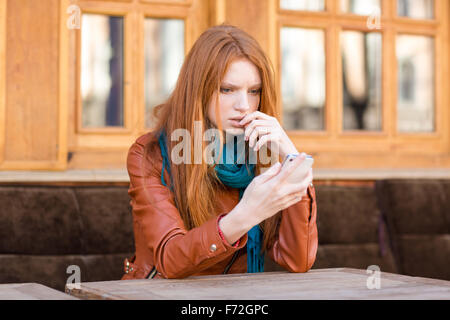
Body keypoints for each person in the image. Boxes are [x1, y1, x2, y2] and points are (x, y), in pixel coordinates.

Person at [121, 24, 317, 280]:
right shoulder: (150, 155)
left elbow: (298, 259)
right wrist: (247, 214)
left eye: (254, 91)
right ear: (199, 89)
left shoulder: (261, 151)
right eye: (227, 90)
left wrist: (292, 159)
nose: (244, 105)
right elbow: (170, 260)